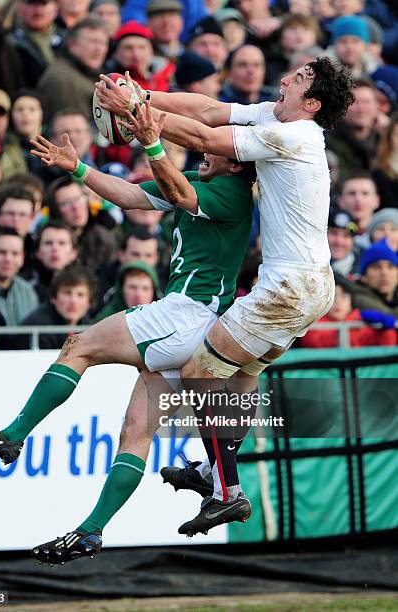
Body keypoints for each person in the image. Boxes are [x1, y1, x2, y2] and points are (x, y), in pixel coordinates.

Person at [0, 102, 255, 564]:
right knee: (135, 433)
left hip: (186, 312)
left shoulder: (233, 192)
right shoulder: (203, 181)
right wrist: (77, 168)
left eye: (210, 147)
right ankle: (91, 532)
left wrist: (153, 141)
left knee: (79, 346)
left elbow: (179, 194)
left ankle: (14, 435)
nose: (203, 148)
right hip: (196, 329)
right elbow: (130, 196)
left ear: (235, 162)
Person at [95, 55, 355, 536]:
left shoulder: (293, 135)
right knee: (239, 377)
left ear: (312, 103)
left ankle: (228, 493)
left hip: (289, 285)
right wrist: (147, 97)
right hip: (310, 284)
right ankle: (215, 472)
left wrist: (135, 111)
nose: (285, 80)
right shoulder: (277, 118)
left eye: (297, 80)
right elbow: (208, 110)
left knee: (198, 372)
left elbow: (202, 139)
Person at [37, 17, 109, 122]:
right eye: (93, 41)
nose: (99, 49)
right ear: (71, 44)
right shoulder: (64, 80)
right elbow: (73, 130)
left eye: (103, 43)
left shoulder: (85, 72)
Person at [299, 274, 397, 348]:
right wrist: (352, 322)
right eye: (333, 297)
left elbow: (386, 345)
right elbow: (312, 341)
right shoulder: (315, 323)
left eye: (344, 297)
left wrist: (386, 328)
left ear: (351, 302)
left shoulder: (362, 323)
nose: (338, 301)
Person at [13, 264, 93, 349]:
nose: (73, 301)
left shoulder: (89, 327)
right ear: (53, 298)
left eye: (80, 295)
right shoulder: (40, 326)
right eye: (67, 293)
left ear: (89, 302)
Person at [0, 227, 39, 325]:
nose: (8, 259)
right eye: (2, 252)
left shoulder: (28, 292)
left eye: (15, 254)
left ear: (22, 257)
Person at [96, 260, 160, 321]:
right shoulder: (105, 319)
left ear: (154, 291)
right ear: (121, 289)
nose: (138, 294)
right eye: (132, 287)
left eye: (145, 288)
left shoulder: (162, 319)